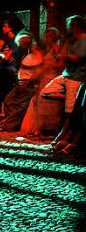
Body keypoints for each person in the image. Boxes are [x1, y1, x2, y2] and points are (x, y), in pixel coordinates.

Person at [42, 15, 86, 151]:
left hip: (76, 77)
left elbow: (77, 58)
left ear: (75, 26)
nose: (68, 28)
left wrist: (64, 56)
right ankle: (62, 136)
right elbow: (62, 56)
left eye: (69, 25)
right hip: (66, 75)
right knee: (46, 91)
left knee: (71, 111)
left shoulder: (84, 40)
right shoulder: (71, 39)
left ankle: (62, 137)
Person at [0, 31, 44, 132]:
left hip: (27, 85)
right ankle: (10, 123)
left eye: (20, 44)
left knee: (19, 106)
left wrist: (29, 81)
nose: (19, 47)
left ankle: (9, 126)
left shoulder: (36, 53)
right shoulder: (27, 52)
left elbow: (39, 71)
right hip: (21, 83)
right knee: (8, 101)